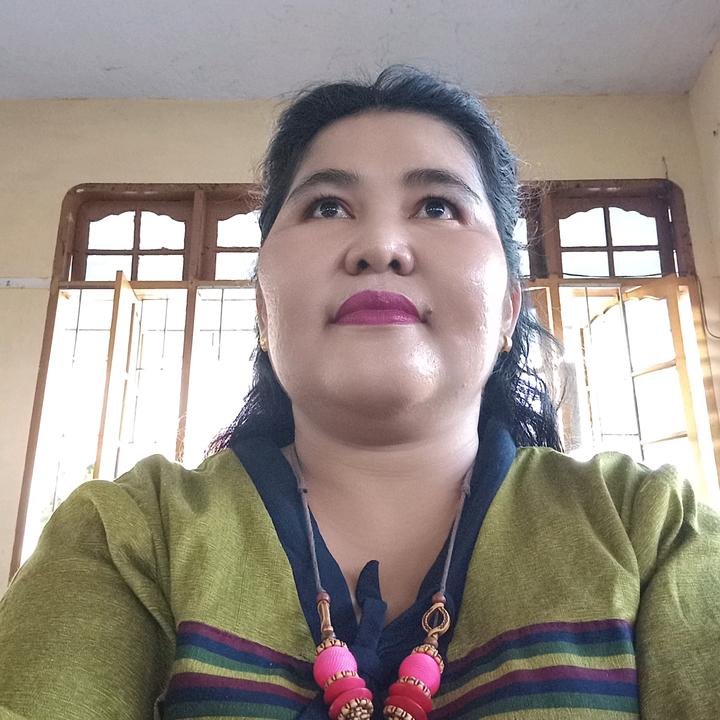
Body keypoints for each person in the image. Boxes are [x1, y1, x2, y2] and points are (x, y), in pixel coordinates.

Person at [1, 65, 719, 720]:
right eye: (326, 207)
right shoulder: (132, 534)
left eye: (437, 206)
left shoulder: (648, 526)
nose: (380, 246)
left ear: (507, 310)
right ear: (262, 309)